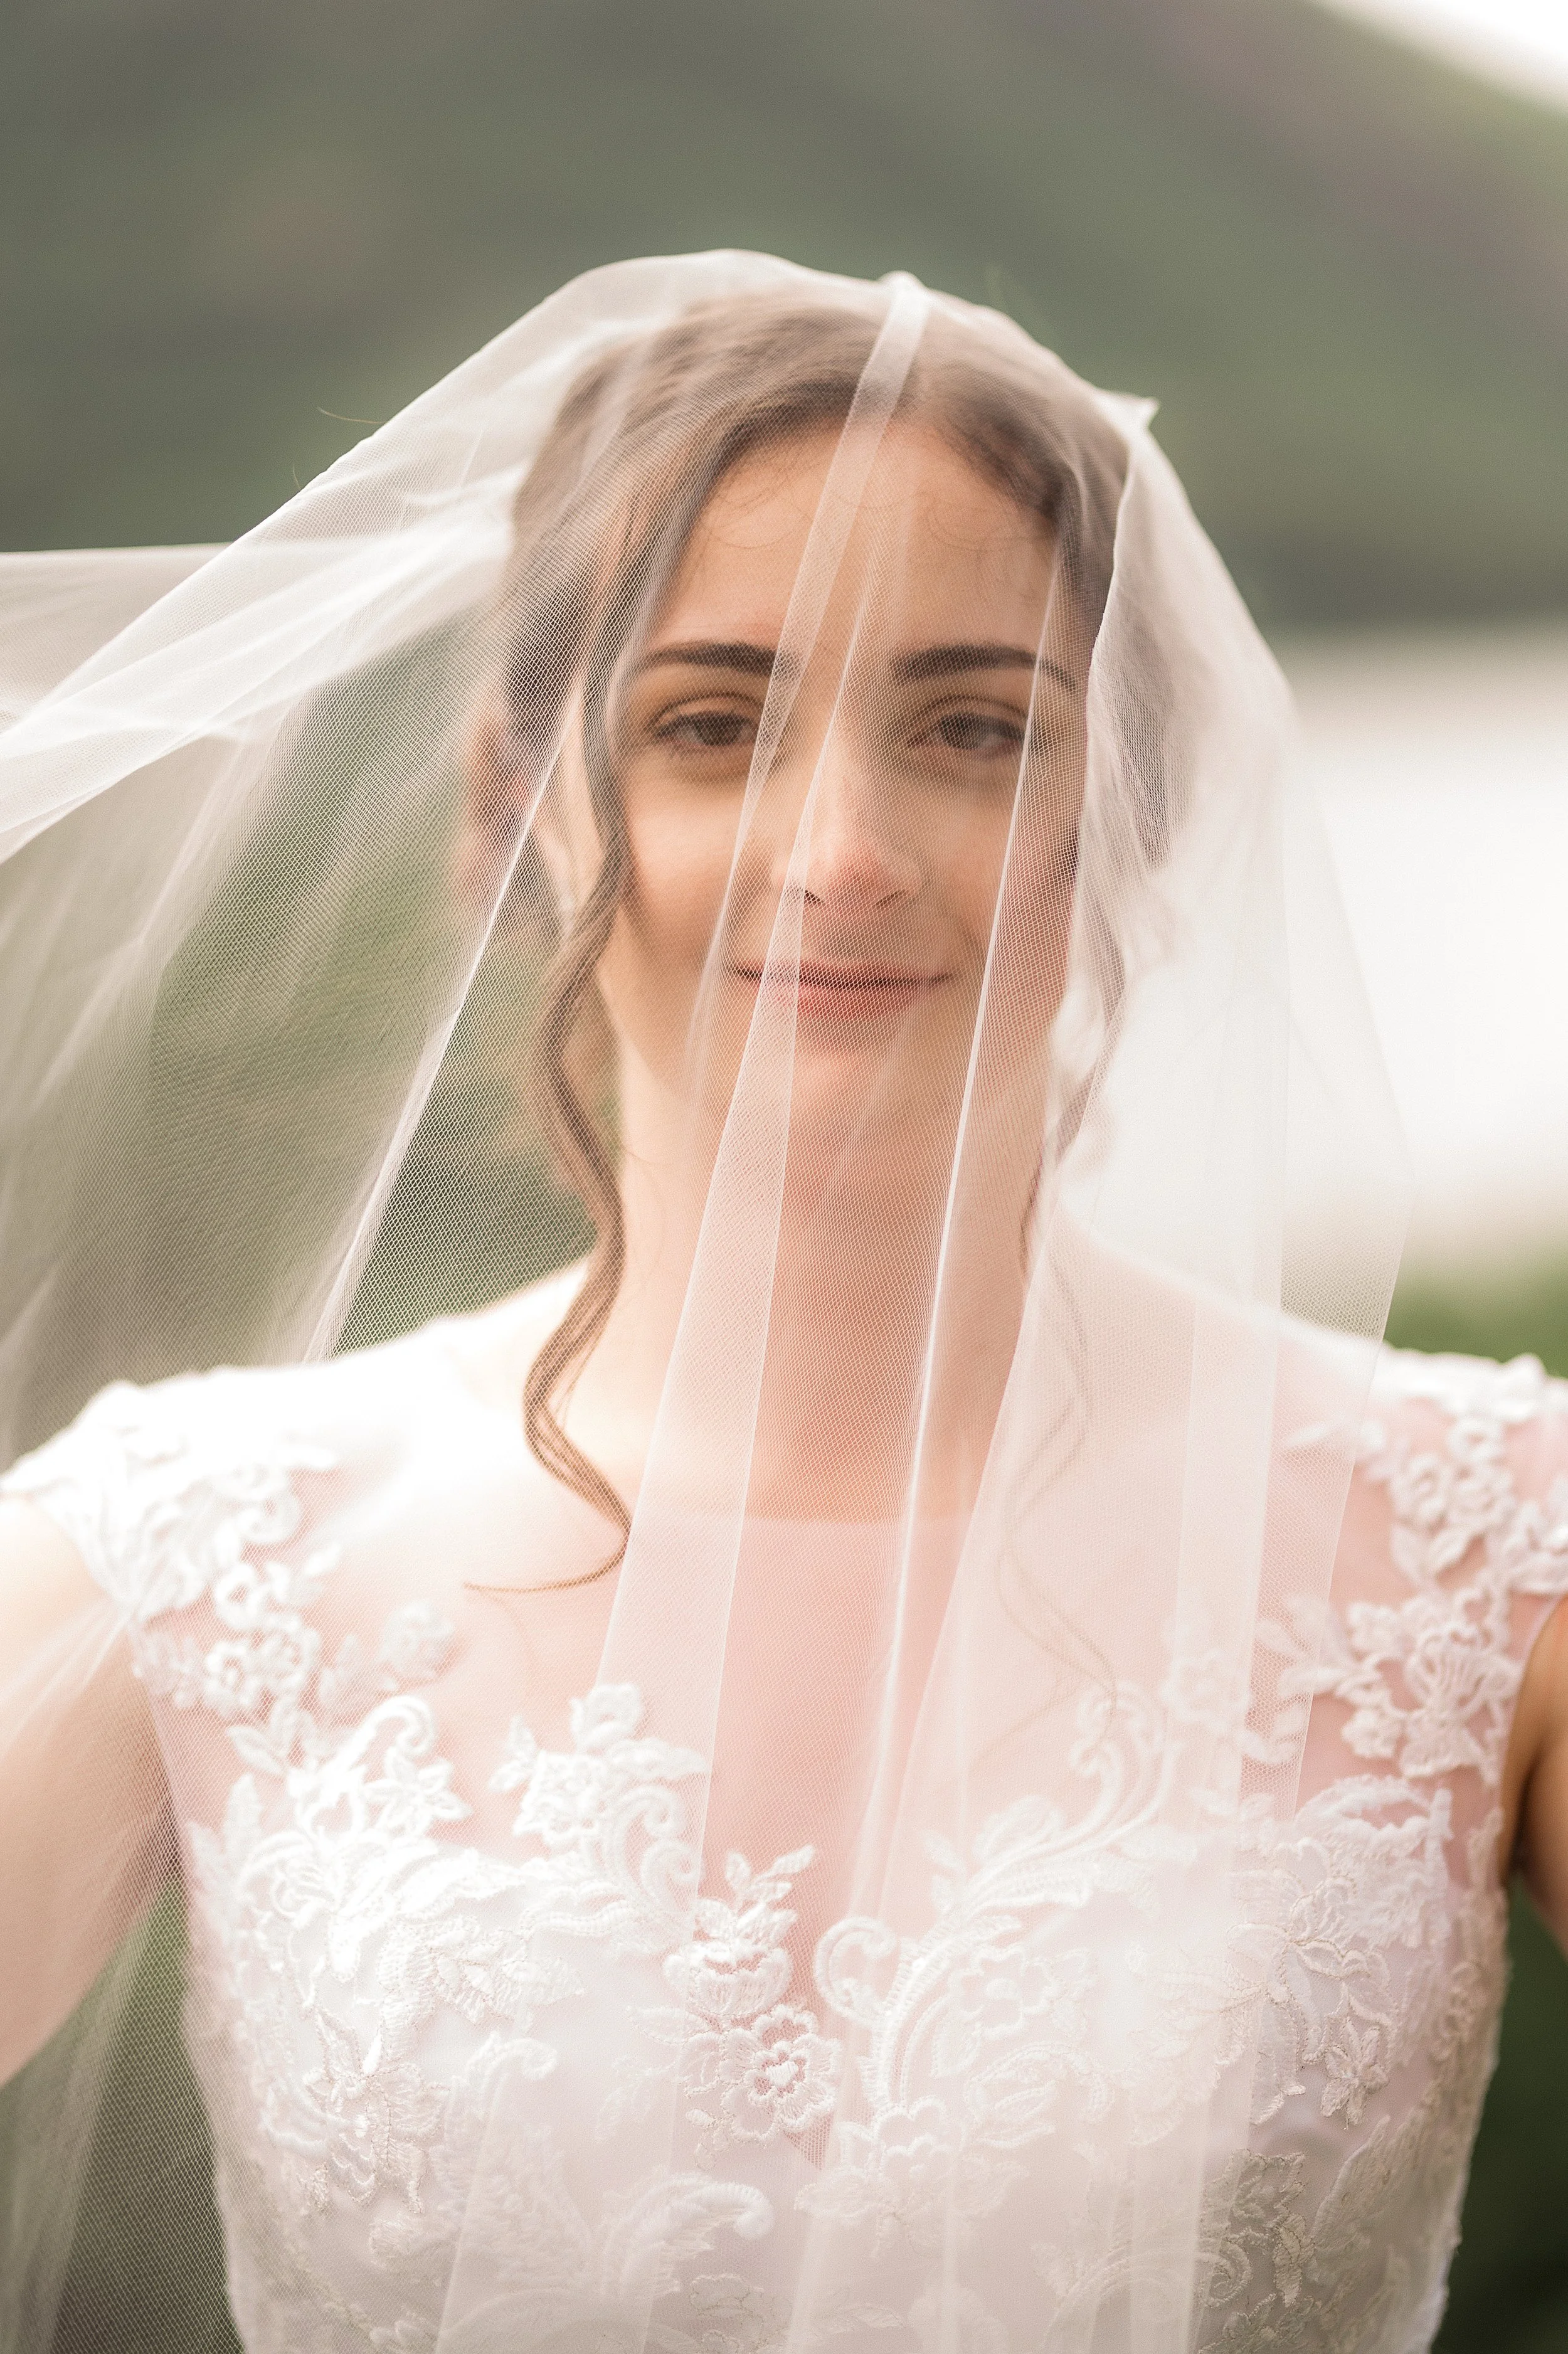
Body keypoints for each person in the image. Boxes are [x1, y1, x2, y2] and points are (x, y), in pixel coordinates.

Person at [0, 252, 1565, 2354]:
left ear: (1133, 818)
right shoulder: (192, 1556)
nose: (840, 848)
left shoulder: (1489, 1544)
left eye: (968, 728)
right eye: (711, 723)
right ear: (512, 816)